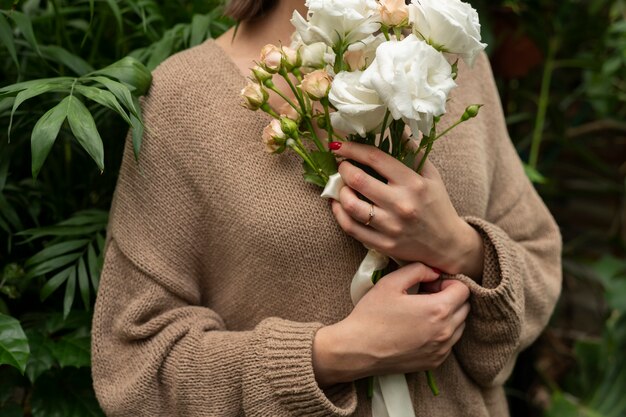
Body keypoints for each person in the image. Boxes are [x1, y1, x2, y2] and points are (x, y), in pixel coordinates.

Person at [91, 0, 563, 415]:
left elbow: (539, 257)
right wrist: (335, 354)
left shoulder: (451, 61)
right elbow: (133, 362)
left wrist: (462, 249)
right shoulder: (184, 99)